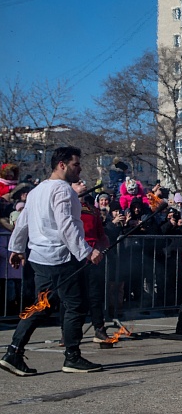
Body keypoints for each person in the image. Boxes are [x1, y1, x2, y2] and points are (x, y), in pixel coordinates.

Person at [0, 146, 104, 376]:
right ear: (62, 165)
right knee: (76, 305)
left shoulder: (37, 190)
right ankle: (72, 357)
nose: (80, 169)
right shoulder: (63, 191)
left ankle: (13, 352)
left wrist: (16, 248)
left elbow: (23, 222)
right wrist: (86, 251)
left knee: (41, 306)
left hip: (40, 257)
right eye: (76, 164)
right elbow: (66, 225)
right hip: (60, 257)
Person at [59, 181, 110, 346]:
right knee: (70, 297)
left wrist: (102, 245)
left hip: (92, 256)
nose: (82, 183)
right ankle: (66, 333)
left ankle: (99, 329)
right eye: (77, 182)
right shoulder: (65, 206)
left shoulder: (92, 209)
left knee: (95, 295)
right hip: (72, 256)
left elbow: (100, 234)